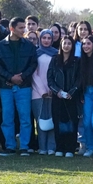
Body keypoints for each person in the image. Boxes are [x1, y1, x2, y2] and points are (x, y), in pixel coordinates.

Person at [0, 17, 37, 157]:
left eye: (24, 27)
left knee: (25, 118)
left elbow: (33, 64)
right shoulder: (0, 45)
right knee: (7, 118)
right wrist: (10, 77)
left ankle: (24, 147)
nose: (24, 30)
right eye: (20, 27)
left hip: (24, 86)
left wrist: (22, 77)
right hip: (5, 87)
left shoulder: (29, 45)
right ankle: (10, 146)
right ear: (11, 29)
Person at [47, 33, 80, 157]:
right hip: (58, 96)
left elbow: (79, 79)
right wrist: (57, 91)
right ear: (61, 44)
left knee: (71, 122)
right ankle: (59, 147)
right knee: (58, 122)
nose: (66, 46)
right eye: (64, 43)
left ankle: (70, 149)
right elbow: (49, 78)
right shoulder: (54, 59)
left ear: (72, 46)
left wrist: (72, 92)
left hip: (71, 97)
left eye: (69, 43)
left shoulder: (77, 61)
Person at [31, 28, 57, 156]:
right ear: (40, 39)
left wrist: (53, 89)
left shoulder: (56, 54)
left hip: (53, 92)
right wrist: (42, 91)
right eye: (44, 38)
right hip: (37, 92)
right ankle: (42, 147)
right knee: (40, 120)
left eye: (49, 38)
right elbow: (34, 75)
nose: (46, 41)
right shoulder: (35, 53)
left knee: (52, 119)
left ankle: (51, 147)